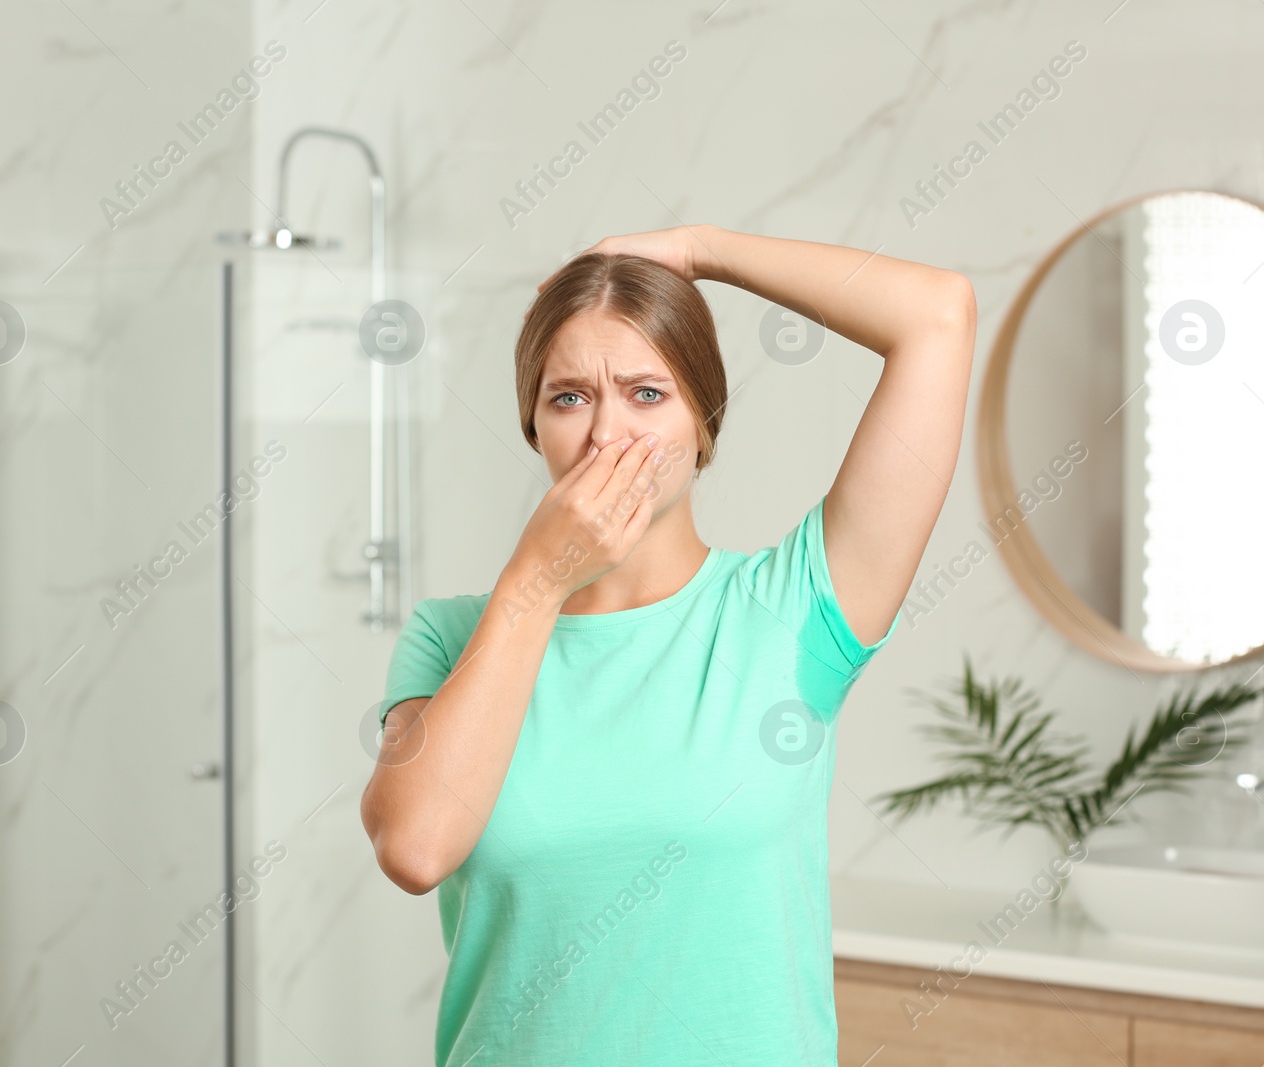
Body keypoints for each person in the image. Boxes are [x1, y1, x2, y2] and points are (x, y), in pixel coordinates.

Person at [360, 223, 976, 1066]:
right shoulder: (452, 637)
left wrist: (701, 249)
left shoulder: (792, 609)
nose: (609, 432)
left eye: (647, 393)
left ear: (704, 424)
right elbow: (416, 846)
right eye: (569, 396)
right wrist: (537, 579)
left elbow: (938, 314)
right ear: (536, 429)